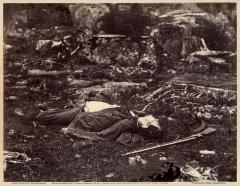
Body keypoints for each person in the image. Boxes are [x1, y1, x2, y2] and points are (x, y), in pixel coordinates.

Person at [34, 101, 162, 145]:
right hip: (94, 110)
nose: (153, 118)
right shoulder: (133, 117)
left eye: (151, 120)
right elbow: (145, 115)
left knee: (44, 117)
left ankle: (36, 114)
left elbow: (104, 135)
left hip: (85, 117)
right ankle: (47, 110)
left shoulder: (128, 123)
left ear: (145, 125)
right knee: (58, 114)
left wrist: (72, 131)